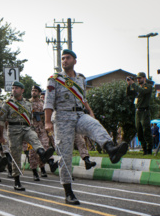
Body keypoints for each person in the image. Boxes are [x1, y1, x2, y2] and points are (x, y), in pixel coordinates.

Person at [44, 49, 128, 205]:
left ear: (75, 61)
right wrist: (47, 122)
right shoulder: (54, 79)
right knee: (65, 156)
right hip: (62, 118)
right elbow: (48, 102)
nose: (64, 61)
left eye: (67, 58)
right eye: (62, 58)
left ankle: (111, 149)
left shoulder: (81, 79)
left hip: (78, 115)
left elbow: (83, 99)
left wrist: (90, 111)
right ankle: (68, 192)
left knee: (94, 125)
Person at [0, 81, 54, 191]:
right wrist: (1, 135)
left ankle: (42, 153)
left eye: (17, 88)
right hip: (13, 130)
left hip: (27, 127)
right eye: (13, 88)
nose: (14, 90)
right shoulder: (7, 103)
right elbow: (1, 121)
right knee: (16, 156)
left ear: (22, 90)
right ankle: (17, 181)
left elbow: (30, 118)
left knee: (34, 138)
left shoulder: (28, 104)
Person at [126, 72, 153, 155]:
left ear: (144, 78)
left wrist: (133, 84)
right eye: (137, 78)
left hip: (145, 111)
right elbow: (129, 93)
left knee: (146, 130)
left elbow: (142, 91)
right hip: (138, 112)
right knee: (139, 131)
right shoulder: (137, 87)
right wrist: (129, 85)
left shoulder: (148, 87)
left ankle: (149, 149)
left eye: (140, 78)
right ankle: (144, 148)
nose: (138, 80)